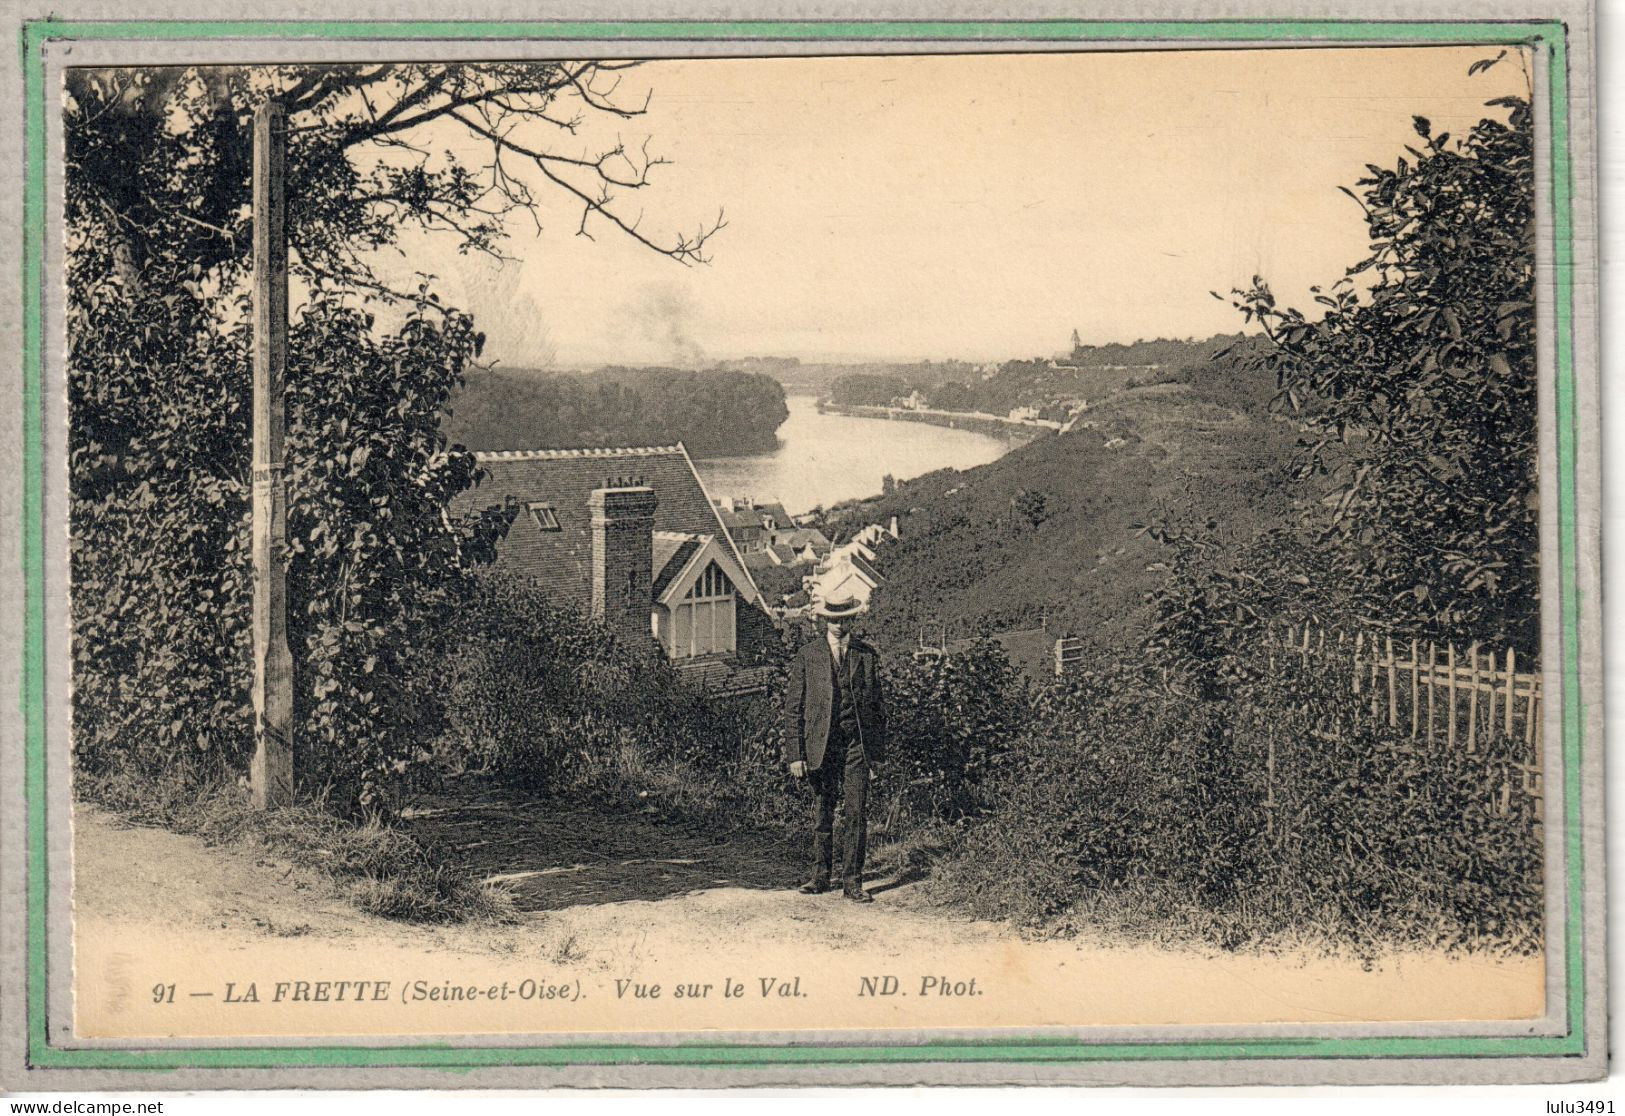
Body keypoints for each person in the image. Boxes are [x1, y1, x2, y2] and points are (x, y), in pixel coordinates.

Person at [781, 594, 886, 902]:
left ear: (853, 620)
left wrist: (877, 755)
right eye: (833, 619)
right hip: (821, 745)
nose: (839, 625)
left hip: (857, 746)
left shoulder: (866, 655)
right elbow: (793, 709)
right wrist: (795, 754)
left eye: (844, 619)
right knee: (823, 812)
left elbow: (878, 709)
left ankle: (853, 881)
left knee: (856, 812)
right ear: (824, 621)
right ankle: (820, 876)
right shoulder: (808, 655)